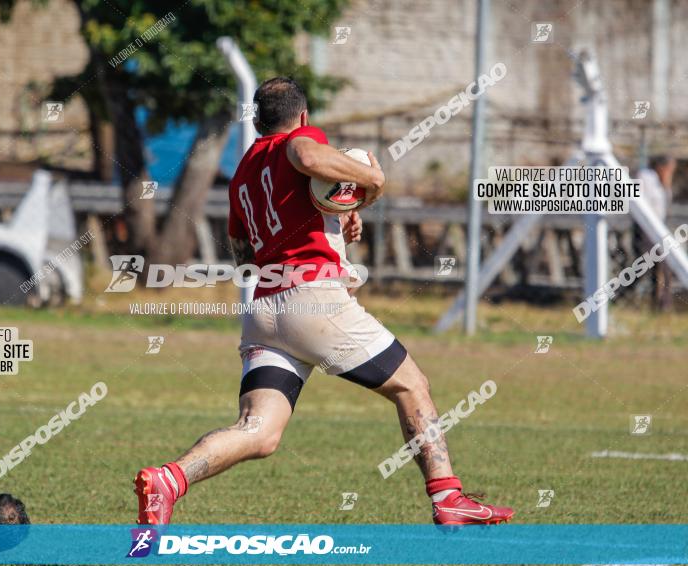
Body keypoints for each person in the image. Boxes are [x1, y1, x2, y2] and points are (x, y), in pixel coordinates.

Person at [134, 77, 513, 526]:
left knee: (258, 433)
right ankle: (448, 497)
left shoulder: (241, 177)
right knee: (412, 386)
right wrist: (373, 178)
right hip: (313, 304)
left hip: (264, 311)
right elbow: (309, 156)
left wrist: (332, 224)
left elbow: (247, 256)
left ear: (256, 122)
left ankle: (169, 479)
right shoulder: (302, 139)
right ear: (303, 118)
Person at [637, 155, 677, 311]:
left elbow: (664, 207)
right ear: (661, 167)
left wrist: (666, 184)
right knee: (642, 267)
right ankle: (623, 295)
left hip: (658, 230)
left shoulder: (662, 183)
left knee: (665, 267)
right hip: (645, 229)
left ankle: (662, 304)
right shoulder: (646, 177)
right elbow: (643, 205)